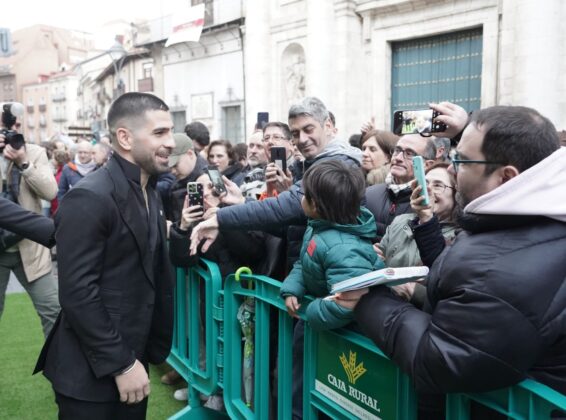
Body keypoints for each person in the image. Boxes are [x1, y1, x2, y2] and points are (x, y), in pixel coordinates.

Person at [337, 105, 566, 418]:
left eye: (461, 161)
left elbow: (440, 359)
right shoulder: (536, 218)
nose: (453, 171)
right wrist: (466, 131)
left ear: (506, 177)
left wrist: (369, 298)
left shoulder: (500, 267)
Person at [34, 92, 176, 419]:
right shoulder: (90, 196)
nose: (171, 142)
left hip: (134, 358)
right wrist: (122, 363)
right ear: (124, 138)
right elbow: (78, 293)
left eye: (170, 131)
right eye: (159, 132)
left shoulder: (150, 190)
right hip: (91, 374)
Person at [280, 160, 384, 331]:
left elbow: (350, 302)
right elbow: (306, 262)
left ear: (315, 204)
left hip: (338, 334)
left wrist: (310, 310)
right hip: (321, 323)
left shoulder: (344, 248)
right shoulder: (318, 226)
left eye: (304, 194)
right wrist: (292, 288)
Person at [0, 132, 59, 338]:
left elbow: (50, 192)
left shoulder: (34, 152)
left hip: (30, 248)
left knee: (53, 311)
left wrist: (23, 162)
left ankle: (58, 359)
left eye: (14, 126)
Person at [364, 134, 436, 241]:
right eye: (397, 150)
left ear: (427, 164)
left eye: (409, 153)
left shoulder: (430, 205)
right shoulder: (368, 194)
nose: (398, 158)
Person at [164, 133, 208, 223]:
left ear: (190, 154)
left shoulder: (205, 181)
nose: (172, 171)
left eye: (175, 165)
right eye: (170, 167)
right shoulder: (187, 175)